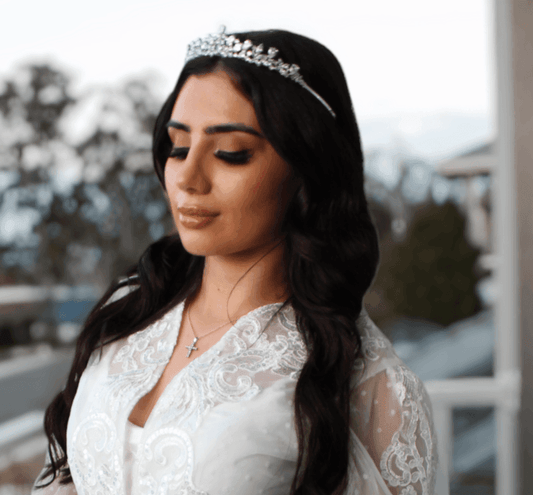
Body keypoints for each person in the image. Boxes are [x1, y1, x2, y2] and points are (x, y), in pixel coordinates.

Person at [32, 27, 442, 495]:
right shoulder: (130, 312)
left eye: (231, 154)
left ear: (306, 169)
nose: (187, 177)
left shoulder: (374, 388)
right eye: (179, 146)